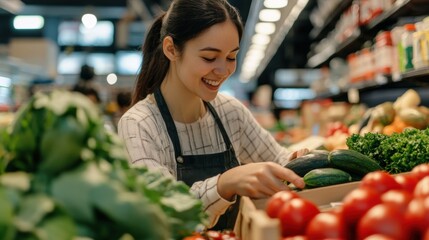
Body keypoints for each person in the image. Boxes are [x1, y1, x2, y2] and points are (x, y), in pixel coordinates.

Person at [118, 0, 308, 230]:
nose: (222, 71)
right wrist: (224, 183)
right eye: (209, 58)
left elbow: (278, 159)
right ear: (171, 49)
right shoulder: (139, 124)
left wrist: (299, 161)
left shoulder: (230, 112)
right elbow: (162, 214)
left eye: (231, 57)